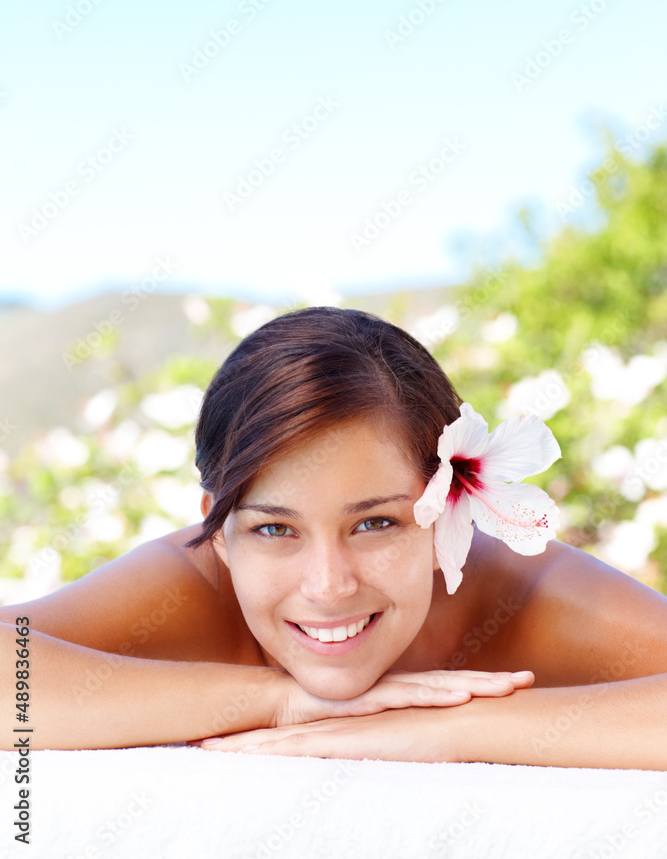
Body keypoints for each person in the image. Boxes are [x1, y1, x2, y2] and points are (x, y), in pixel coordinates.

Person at [1, 306, 666, 767]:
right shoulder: (195, 586)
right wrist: (283, 701)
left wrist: (452, 728)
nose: (328, 585)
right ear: (221, 533)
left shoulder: (524, 595)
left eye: (375, 522)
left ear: (444, 508)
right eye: (273, 529)